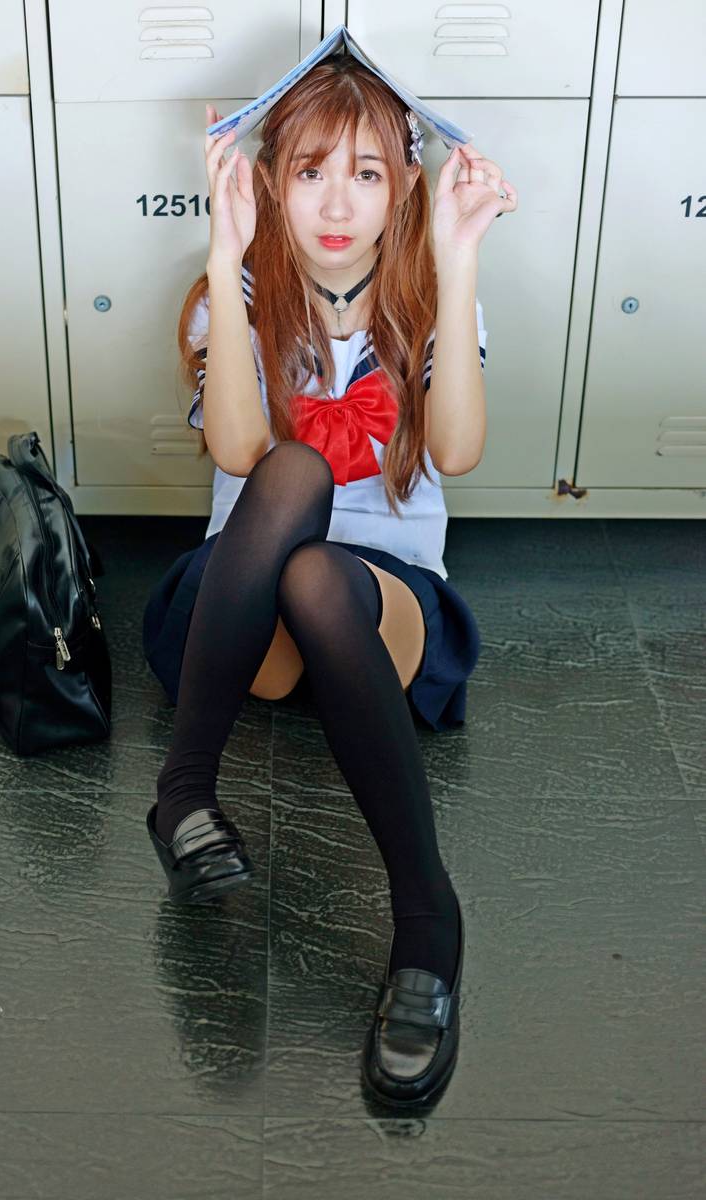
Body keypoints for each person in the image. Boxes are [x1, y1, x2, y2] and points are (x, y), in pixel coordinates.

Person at [141, 54, 517, 1106]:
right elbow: (237, 452)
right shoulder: (236, 293)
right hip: (243, 614)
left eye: (366, 173)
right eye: (310, 172)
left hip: (377, 609)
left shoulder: (430, 299)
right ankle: (187, 793)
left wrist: (457, 260)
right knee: (290, 479)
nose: (338, 204)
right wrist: (226, 253)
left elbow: (459, 449)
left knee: (321, 576)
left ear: (404, 185)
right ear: (270, 182)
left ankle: (424, 919)